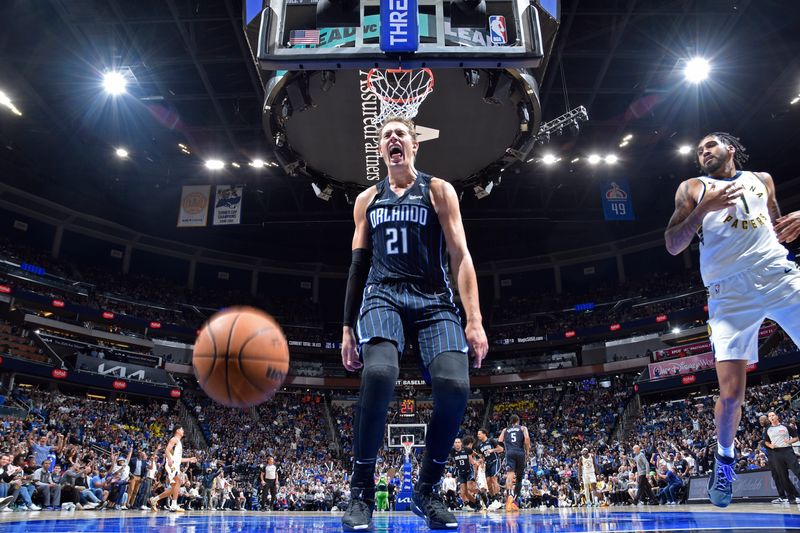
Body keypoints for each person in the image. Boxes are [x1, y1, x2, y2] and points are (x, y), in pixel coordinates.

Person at [340, 116, 489, 531]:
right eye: (386, 134)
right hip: (382, 293)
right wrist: (347, 328)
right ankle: (362, 492)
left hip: (432, 299)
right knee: (381, 374)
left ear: (414, 145)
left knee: (456, 386)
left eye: (400, 133)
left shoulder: (439, 191)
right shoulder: (367, 200)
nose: (393, 139)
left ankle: (425, 490)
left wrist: (474, 320)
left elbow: (460, 257)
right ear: (380, 149)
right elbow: (358, 265)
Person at [664, 132, 800, 507]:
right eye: (698, 150)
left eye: (710, 145)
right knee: (731, 393)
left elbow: (778, 228)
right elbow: (673, 243)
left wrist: (795, 222)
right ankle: (724, 460)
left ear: (731, 149)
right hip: (728, 293)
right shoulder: (693, 188)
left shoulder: (762, 179)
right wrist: (702, 208)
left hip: (777, 274)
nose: (703, 152)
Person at [149, 427, 197, 512]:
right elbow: (167, 450)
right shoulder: (174, 439)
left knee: (175, 488)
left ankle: (154, 499)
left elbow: (179, 459)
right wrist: (170, 460)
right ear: (177, 430)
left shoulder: (179, 442)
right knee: (178, 482)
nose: (183, 431)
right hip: (172, 464)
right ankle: (173, 505)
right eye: (182, 429)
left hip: (176, 464)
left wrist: (189, 459)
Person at [764, 411, 800, 504]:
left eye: (773, 415)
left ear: (777, 416)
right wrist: (770, 446)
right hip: (776, 453)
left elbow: (796, 437)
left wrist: (789, 441)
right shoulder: (768, 429)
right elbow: (766, 442)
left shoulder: (785, 427)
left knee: (797, 471)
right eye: (769, 416)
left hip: (788, 451)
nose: (771, 417)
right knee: (783, 476)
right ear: (769, 419)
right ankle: (791, 498)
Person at [498, 414, 530, 511]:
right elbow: (527, 439)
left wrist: (505, 447)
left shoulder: (505, 430)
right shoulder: (523, 428)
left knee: (509, 476)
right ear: (518, 421)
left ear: (510, 422)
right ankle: (514, 501)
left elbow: (499, 440)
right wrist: (527, 451)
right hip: (520, 452)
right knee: (519, 478)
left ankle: (509, 496)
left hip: (510, 453)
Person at [476, 428, 504, 510]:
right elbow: (481, 457)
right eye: (478, 434)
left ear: (484, 434)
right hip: (487, 464)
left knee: (493, 479)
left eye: (479, 434)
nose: (478, 435)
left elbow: (501, 449)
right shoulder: (479, 445)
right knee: (488, 482)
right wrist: (480, 462)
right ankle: (493, 499)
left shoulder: (491, 441)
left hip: (495, 461)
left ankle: (497, 499)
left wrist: (492, 450)